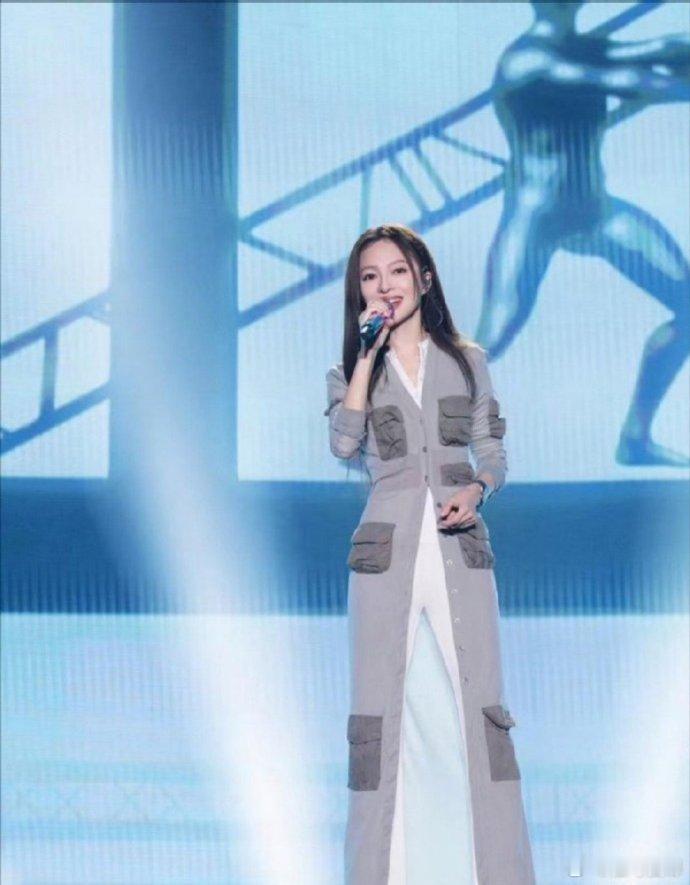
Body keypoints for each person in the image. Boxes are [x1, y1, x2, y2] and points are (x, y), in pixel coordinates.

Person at [324, 223, 535, 884]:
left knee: (480, 714)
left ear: (424, 277)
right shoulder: (352, 370)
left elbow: (492, 452)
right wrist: (367, 356)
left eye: (396, 270)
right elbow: (343, 443)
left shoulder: (466, 360)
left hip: (457, 549)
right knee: (377, 722)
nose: (385, 285)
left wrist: (477, 488)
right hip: (384, 558)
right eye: (370, 276)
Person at [478, 0, 690, 466]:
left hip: (596, 213)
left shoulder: (586, 48)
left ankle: (635, 440)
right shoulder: (527, 59)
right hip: (537, 219)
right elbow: (631, 81)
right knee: (489, 341)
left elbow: (658, 48)